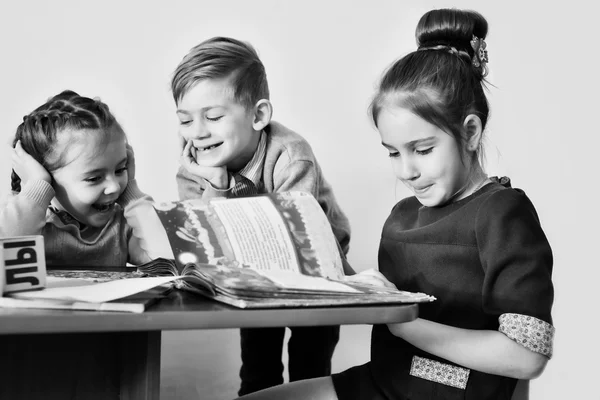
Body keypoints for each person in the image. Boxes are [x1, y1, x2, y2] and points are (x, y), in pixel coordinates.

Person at [235, 8, 555, 400]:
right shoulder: (401, 217)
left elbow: (527, 357)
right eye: (392, 153)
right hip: (384, 383)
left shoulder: (502, 212)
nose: (407, 171)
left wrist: (407, 324)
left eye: (422, 150)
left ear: (469, 132)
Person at [171, 36, 352, 395]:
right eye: (186, 120)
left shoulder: (291, 156)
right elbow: (205, 242)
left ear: (258, 115)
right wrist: (216, 185)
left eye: (213, 116)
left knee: (309, 367)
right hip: (253, 276)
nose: (199, 133)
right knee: (258, 365)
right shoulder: (193, 165)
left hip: (316, 275)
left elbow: (294, 234)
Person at [0, 90, 172, 266]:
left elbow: (168, 261)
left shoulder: (122, 224)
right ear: (48, 178)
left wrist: (131, 194)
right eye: (94, 178)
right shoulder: (30, 222)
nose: (114, 187)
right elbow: (5, 259)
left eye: (120, 169)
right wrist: (36, 187)